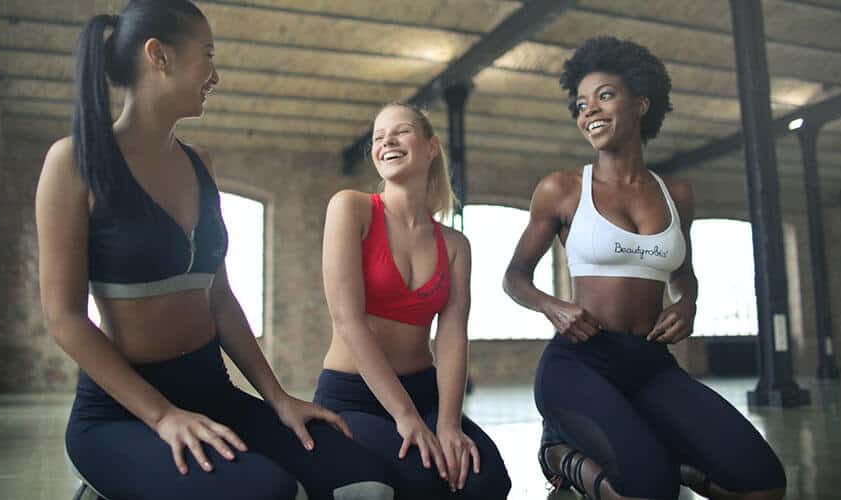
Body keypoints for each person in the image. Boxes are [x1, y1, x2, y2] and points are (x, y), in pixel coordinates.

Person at [35, 2, 395, 498]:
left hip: (214, 394)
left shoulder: (200, 166)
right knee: (265, 492)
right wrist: (162, 416)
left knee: (366, 483)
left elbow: (220, 299)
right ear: (157, 55)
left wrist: (278, 398)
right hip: (121, 415)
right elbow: (65, 318)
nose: (216, 75)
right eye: (207, 55)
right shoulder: (73, 162)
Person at [503, 37, 787, 500]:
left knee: (764, 484)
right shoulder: (563, 188)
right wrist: (553, 307)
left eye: (605, 96)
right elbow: (514, 276)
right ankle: (558, 454)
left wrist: (689, 302)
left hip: (651, 365)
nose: (589, 111)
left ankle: (669, 463)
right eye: (580, 104)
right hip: (579, 363)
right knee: (648, 493)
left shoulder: (678, 194)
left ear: (641, 102)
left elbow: (683, 271)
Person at [312, 103, 512, 499]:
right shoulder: (350, 208)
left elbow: (452, 336)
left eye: (400, 131)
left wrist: (449, 424)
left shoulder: (455, 245)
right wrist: (405, 417)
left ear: (431, 146)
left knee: (485, 479)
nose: (386, 140)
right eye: (377, 136)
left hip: (425, 393)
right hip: (353, 398)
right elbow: (347, 319)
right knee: (423, 482)